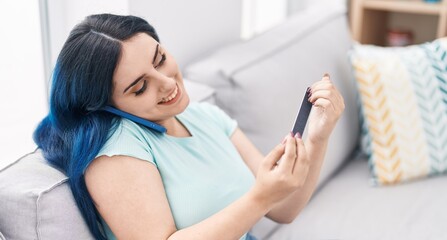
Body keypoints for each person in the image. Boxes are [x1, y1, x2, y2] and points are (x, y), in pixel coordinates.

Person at [34, 14, 344, 240]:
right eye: (140, 87)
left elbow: (283, 210)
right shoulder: (117, 149)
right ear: (105, 104)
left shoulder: (206, 117)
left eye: (160, 59)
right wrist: (259, 198)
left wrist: (318, 136)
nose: (168, 82)